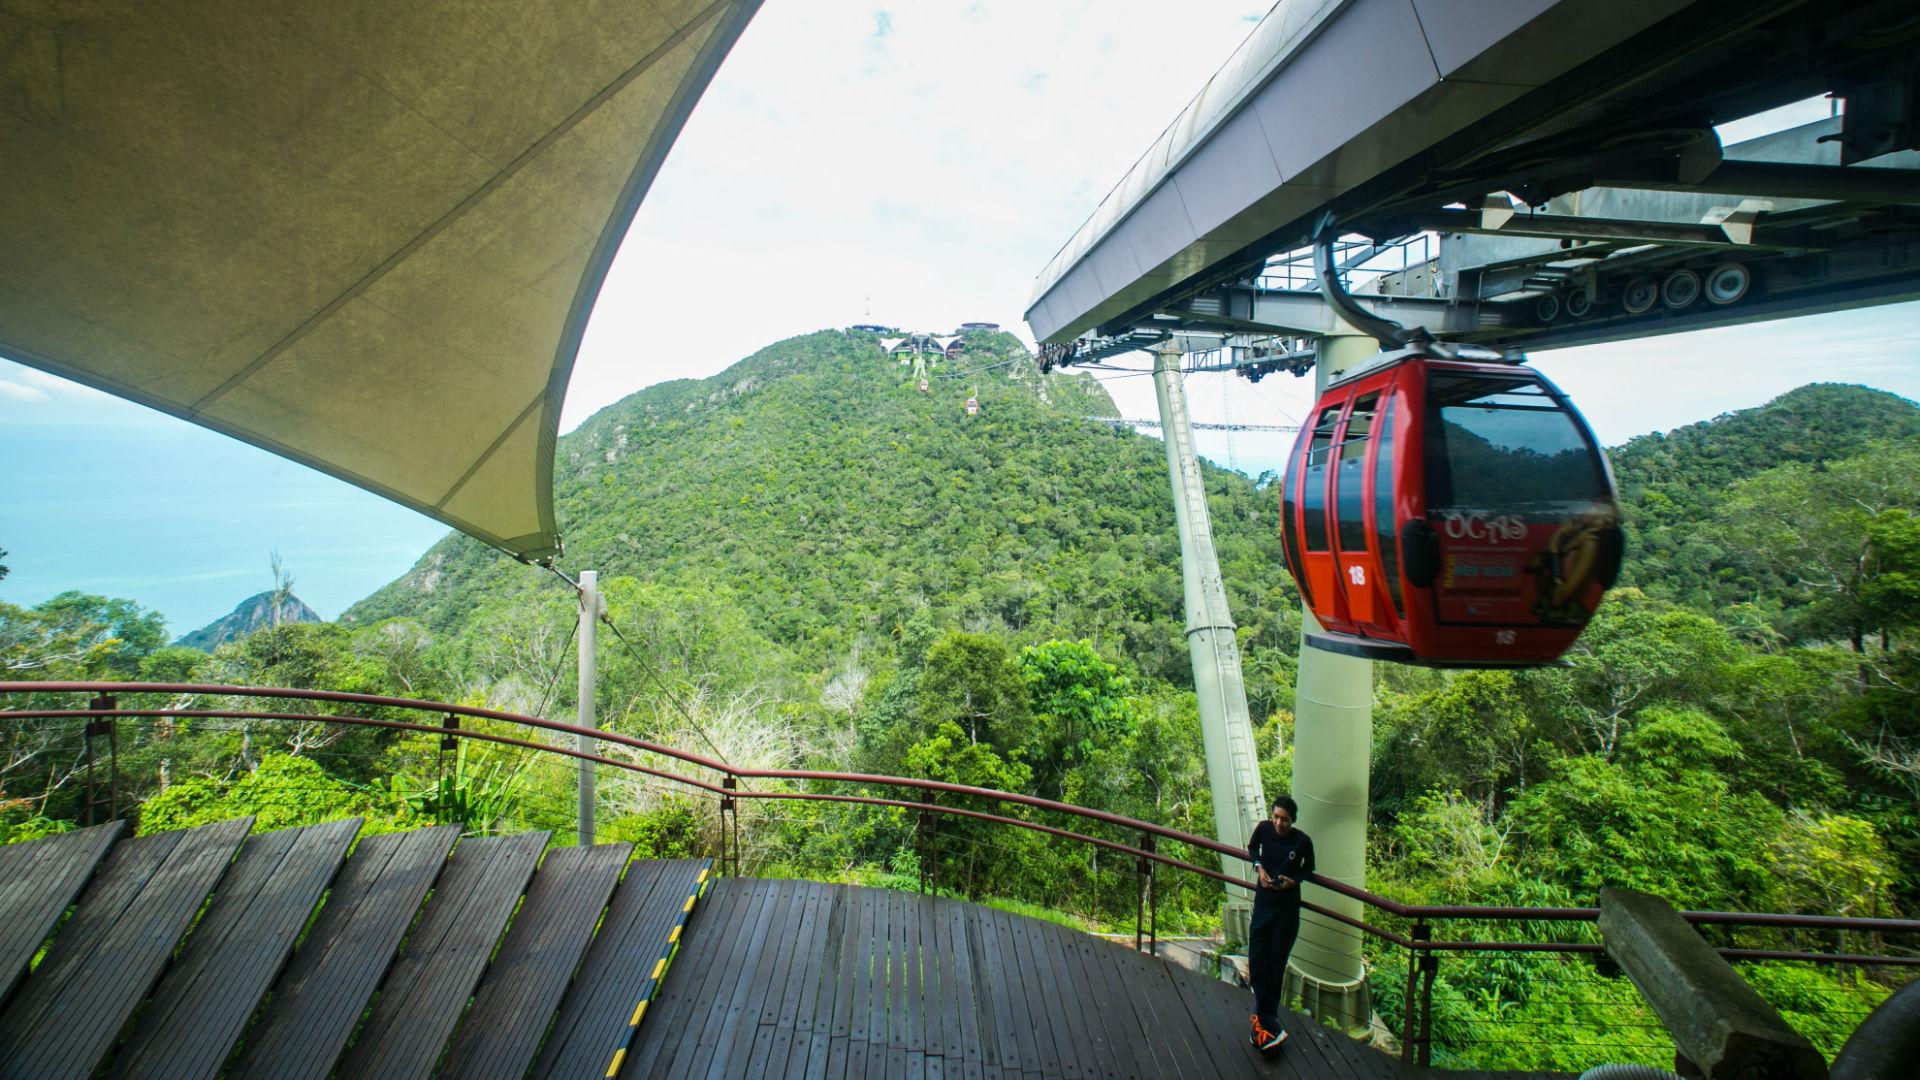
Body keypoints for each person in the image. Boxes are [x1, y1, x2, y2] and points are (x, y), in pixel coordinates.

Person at [1246, 794, 1314, 1053]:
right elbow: (1253, 849)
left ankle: (1263, 1025)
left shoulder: (1302, 841)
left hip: (1286, 912)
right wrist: (1259, 868)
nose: (1278, 823)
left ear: (1293, 820)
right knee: (1257, 960)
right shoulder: (1264, 829)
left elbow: (1309, 867)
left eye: (1284, 819)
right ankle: (1268, 1024)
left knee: (1275, 966)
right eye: (1275, 817)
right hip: (1264, 904)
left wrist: (1293, 881)